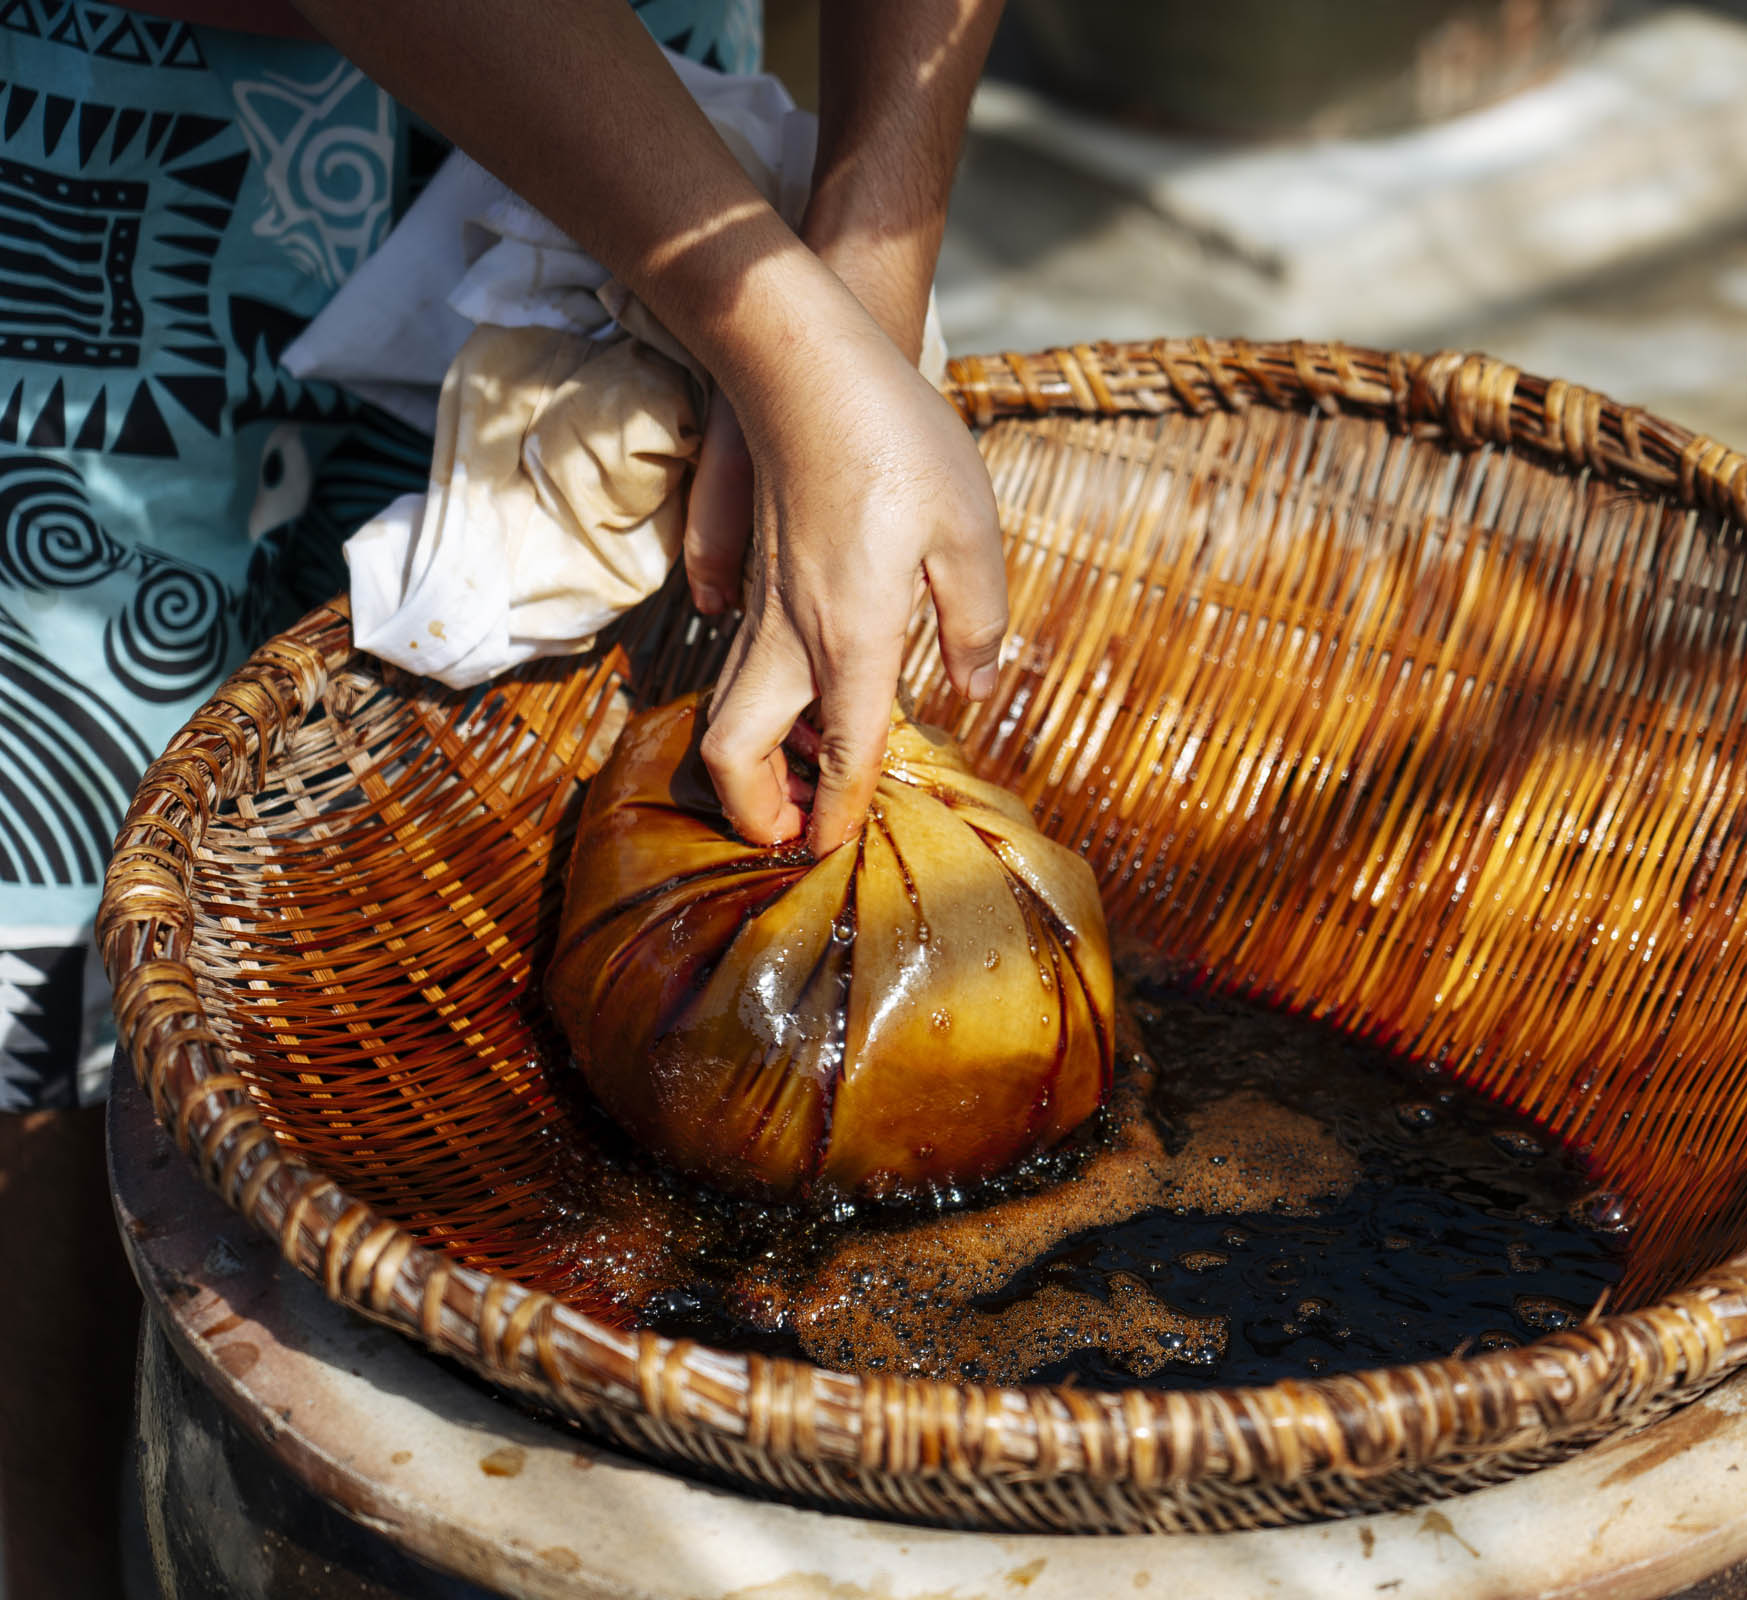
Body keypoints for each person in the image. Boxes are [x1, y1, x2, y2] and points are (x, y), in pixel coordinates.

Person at [0, 2, 1008, 1593]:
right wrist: (781, 335)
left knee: (486, 791)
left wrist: (861, 279)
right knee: (52, 934)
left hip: (624, 109)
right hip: (122, 140)